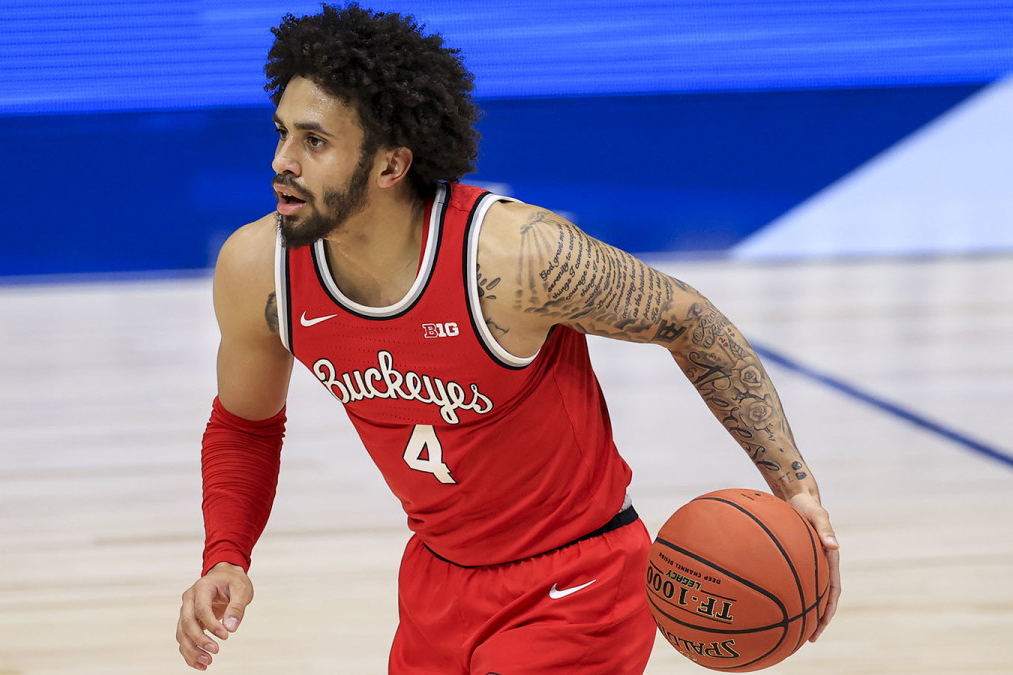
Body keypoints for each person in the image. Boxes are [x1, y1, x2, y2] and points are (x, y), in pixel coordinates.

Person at [176, 4, 841, 673]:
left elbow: (691, 322)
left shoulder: (515, 257)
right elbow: (245, 425)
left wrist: (795, 486)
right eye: (282, 132)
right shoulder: (260, 269)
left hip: (578, 582)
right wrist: (227, 554)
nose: (281, 161)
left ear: (390, 165)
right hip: (436, 579)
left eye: (314, 141)